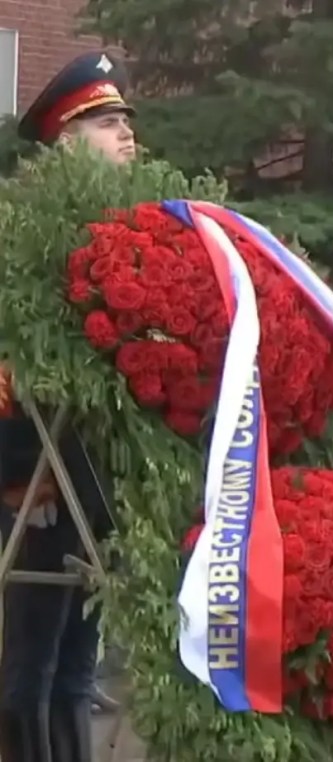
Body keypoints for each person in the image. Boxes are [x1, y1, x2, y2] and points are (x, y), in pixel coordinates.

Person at [0, 50, 135, 762]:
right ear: (66, 142)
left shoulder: (129, 232)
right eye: (107, 123)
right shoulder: (29, 238)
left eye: (126, 120)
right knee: (32, 666)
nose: (127, 133)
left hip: (96, 483)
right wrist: (18, 475)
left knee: (78, 668)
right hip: (36, 488)